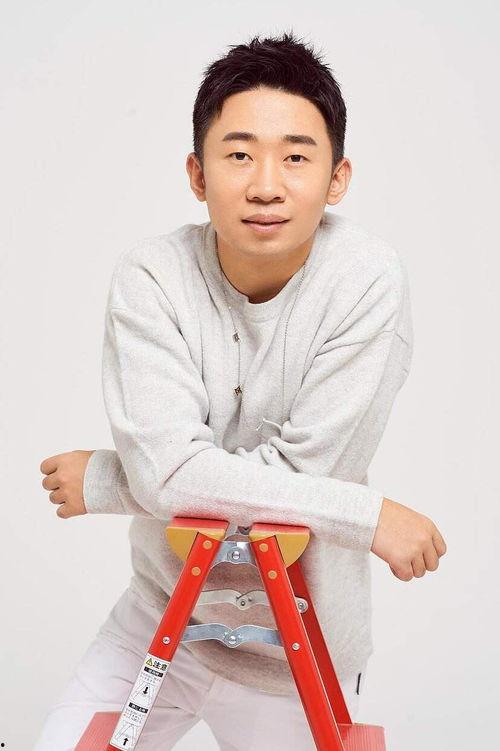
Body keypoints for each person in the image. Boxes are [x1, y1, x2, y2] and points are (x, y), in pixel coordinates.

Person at [36, 30, 447, 750]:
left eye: (296, 156)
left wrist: (113, 478)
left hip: (302, 645)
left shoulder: (365, 281)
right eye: (238, 154)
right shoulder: (152, 276)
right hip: (162, 618)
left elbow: (297, 479)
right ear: (197, 175)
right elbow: (173, 472)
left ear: (338, 178)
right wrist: (369, 515)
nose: (265, 184)